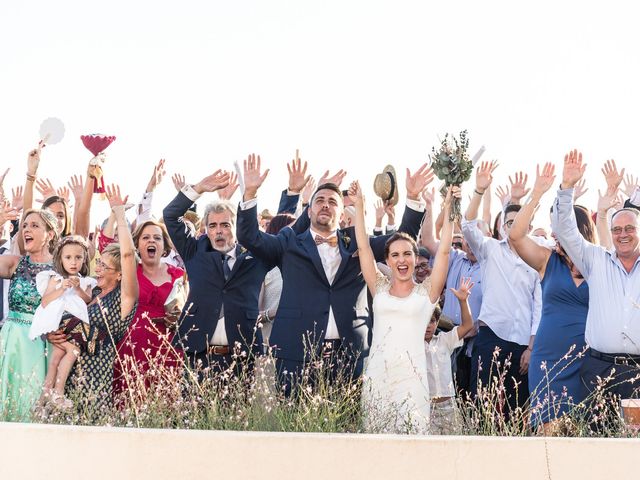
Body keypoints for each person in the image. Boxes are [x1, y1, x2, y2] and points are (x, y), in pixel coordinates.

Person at [236, 155, 431, 393]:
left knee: (348, 426)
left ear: (341, 213)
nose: (325, 204)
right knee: (295, 426)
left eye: (332, 201)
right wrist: (250, 194)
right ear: (309, 211)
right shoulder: (289, 242)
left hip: (350, 353)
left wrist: (413, 199)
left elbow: (402, 239)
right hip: (297, 352)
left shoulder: (358, 243)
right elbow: (250, 237)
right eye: (319, 200)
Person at [351, 180, 455, 434]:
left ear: (415, 258)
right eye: (395, 255)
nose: (401, 260)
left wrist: (450, 208)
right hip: (378, 376)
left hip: (412, 381)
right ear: (387, 260)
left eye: (407, 254)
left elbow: (443, 253)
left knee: (412, 444)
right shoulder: (379, 288)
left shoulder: (426, 294)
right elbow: (363, 247)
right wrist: (360, 207)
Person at [552, 150, 640, 422]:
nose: (622, 234)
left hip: (639, 371)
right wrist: (567, 188)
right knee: (598, 444)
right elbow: (565, 230)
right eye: (616, 230)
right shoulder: (595, 260)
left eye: (629, 228)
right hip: (598, 369)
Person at [509, 162, 591, 432]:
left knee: (584, 436)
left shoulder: (597, 263)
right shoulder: (547, 260)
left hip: (588, 362)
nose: (554, 233)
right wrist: (536, 194)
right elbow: (516, 236)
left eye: (559, 225)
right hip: (549, 360)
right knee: (550, 438)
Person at [163, 168, 271, 374]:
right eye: (212, 225)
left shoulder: (254, 255)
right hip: (198, 354)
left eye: (225, 224)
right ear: (206, 228)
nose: (218, 230)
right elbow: (170, 215)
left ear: (236, 227)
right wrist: (199, 188)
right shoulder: (194, 250)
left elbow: (288, 234)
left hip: (240, 357)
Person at [47, 185, 138, 410]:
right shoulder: (93, 292)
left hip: (95, 375)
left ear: (119, 274)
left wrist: (120, 214)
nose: (96, 268)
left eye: (103, 266)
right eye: (98, 262)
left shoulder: (124, 297)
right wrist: (55, 334)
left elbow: (127, 255)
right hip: (69, 375)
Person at [462, 161, 541, 417]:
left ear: (528, 227)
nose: (514, 227)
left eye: (519, 223)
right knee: (481, 410)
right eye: (509, 223)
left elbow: (538, 306)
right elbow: (467, 227)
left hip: (522, 345)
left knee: (516, 413)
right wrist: (479, 191)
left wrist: (531, 347)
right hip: (491, 338)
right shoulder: (490, 250)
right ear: (501, 226)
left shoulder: (537, 258)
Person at [113, 220, 184, 397]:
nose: (151, 241)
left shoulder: (179, 275)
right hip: (133, 347)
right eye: (145, 237)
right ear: (137, 244)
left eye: (157, 238)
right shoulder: (128, 273)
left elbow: (189, 310)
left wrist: (177, 319)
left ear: (164, 246)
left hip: (169, 347)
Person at [0, 208, 58, 421]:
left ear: (49, 235)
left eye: (34, 225)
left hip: (41, 345)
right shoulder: (16, 262)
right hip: (11, 340)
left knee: (30, 405)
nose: (27, 229)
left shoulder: (61, 269)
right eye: (24, 225)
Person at [30, 235, 96, 408]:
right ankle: (58, 392)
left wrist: (77, 287)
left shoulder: (85, 281)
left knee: (57, 357)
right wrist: (61, 288)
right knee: (73, 350)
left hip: (75, 321)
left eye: (78, 257)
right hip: (58, 321)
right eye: (68, 257)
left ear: (84, 259)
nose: (73, 262)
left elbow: (88, 299)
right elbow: (45, 301)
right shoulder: (55, 278)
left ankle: (44, 397)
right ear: (60, 258)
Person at [425, 277, 475, 435]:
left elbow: (468, 326)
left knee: (453, 447)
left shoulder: (444, 340)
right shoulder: (412, 345)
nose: (427, 326)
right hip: (426, 407)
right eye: (424, 321)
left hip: (449, 405)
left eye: (432, 321)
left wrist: (463, 301)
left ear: (437, 322)